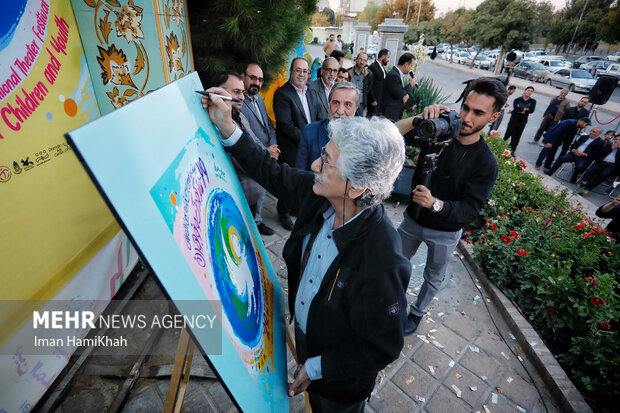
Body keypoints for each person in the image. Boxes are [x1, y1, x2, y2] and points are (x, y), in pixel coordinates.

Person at [202, 89, 410, 412]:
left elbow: (381, 346)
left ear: (355, 187)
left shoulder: (381, 256)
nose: (315, 163)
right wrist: (228, 128)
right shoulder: (320, 197)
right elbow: (271, 172)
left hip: (339, 386)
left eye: (326, 160)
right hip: (305, 340)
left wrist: (314, 369)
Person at [396, 77, 504, 335]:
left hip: (445, 232)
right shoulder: (440, 131)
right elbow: (391, 133)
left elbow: (469, 209)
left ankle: (417, 313)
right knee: (394, 263)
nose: (467, 117)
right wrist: (418, 120)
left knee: (433, 278)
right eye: (466, 107)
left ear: (493, 117)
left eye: (478, 113)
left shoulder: (486, 163)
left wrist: (436, 204)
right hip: (412, 220)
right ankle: (392, 304)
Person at [273, 57, 317, 230]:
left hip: (307, 145)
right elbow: (285, 126)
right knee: (289, 181)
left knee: (305, 179)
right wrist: (309, 140)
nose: (301, 74)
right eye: (298, 70)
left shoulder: (310, 92)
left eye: (305, 71)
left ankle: (296, 208)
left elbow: (314, 117)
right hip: (291, 147)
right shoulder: (283, 94)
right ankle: (283, 212)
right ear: (291, 72)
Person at [240, 63, 280, 235]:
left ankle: (257, 222)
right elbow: (245, 134)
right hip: (253, 155)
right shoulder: (239, 102)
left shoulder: (260, 99)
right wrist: (265, 150)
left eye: (260, 80)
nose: (257, 82)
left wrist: (274, 146)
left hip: (267, 152)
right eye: (253, 78)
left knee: (263, 190)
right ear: (243, 77)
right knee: (253, 192)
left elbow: (268, 126)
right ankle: (250, 229)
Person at [296, 82, 359, 170]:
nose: (340, 111)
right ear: (329, 104)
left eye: (347, 104)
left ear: (356, 108)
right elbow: (300, 174)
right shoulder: (310, 131)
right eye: (336, 103)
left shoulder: (363, 138)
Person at [381, 52, 418, 121]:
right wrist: (410, 85)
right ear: (406, 64)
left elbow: (398, 91)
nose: (411, 69)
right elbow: (399, 94)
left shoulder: (397, 74)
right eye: (411, 66)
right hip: (389, 114)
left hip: (393, 114)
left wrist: (405, 95)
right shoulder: (393, 75)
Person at [503, 86, 536, 153]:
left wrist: (520, 109)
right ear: (525, 91)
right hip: (513, 120)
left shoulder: (533, 101)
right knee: (507, 135)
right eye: (528, 90)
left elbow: (531, 110)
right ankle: (501, 148)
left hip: (522, 122)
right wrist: (523, 110)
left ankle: (511, 151)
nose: (529, 92)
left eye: (531, 91)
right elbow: (516, 108)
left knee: (516, 138)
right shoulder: (517, 100)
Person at [308, 57, 339, 121]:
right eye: (329, 70)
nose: (332, 74)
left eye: (335, 71)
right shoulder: (311, 89)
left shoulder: (339, 88)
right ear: (322, 71)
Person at [347, 52, 374, 116]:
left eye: (364, 60)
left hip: (361, 104)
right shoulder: (348, 72)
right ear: (356, 59)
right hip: (348, 102)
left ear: (366, 62)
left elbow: (369, 89)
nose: (362, 62)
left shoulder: (369, 74)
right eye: (360, 59)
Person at [367, 48, 390, 117]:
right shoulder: (373, 67)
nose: (388, 60)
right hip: (374, 101)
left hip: (380, 101)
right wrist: (372, 99)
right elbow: (370, 84)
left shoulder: (382, 68)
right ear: (383, 56)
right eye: (388, 57)